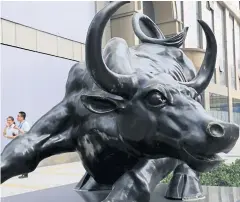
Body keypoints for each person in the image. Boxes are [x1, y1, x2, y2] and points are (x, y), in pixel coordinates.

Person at [14, 111, 31, 179]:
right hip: (20, 143)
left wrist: (18, 129)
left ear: (22, 117)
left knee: (23, 159)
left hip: (24, 143)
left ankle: (25, 173)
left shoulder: (25, 124)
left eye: (18, 116)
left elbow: (26, 133)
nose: (17, 117)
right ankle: (23, 172)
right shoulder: (21, 123)